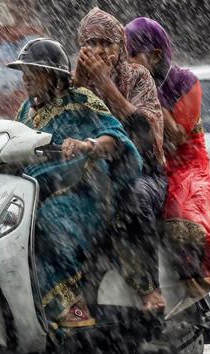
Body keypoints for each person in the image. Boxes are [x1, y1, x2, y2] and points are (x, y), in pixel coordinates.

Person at [124, 17, 210, 330]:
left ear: (155, 55)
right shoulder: (125, 82)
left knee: (183, 214)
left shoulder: (184, 82)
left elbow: (176, 136)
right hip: (147, 164)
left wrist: (147, 90)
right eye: (124, 56)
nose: (127, 63)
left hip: (187, 165)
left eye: (133, 55)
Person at [7, 38, 142, 329]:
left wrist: (87, 145)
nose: (25, 77)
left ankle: (71, 305)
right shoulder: (23, 112)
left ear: (54, 76)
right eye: (23, 70)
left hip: (82, 195)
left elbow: (116, 138)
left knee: (42, 224)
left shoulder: (80, 100)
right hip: (32, 193)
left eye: (33, 70)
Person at [72, 7, 167, 312]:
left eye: (106, 43)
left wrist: (105, 85)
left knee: (132, 198)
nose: (99, 50)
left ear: (120, 47)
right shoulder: (74, 83)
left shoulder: (137, 77)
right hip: (90, 173)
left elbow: (145, 136)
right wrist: (76, 85)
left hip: (144, 174)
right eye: (91, 43)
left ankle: (149, 289)